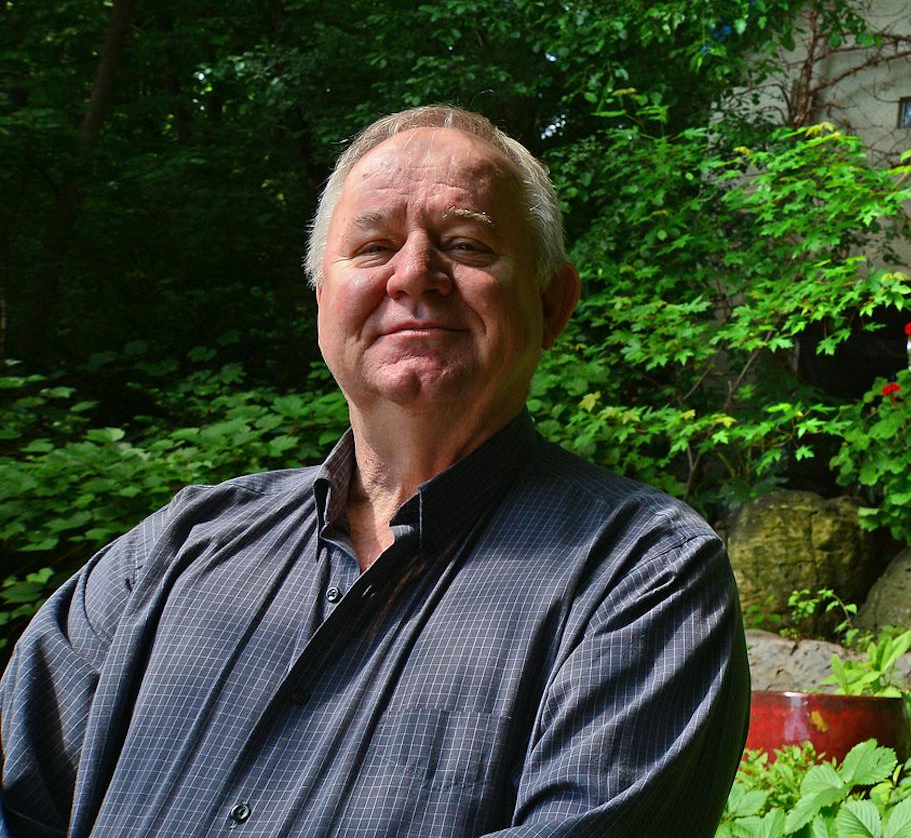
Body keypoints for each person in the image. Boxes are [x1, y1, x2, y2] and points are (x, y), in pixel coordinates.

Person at [0, 105, 750, 837]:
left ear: (553, 303)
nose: (415, 274)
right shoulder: (174, 549)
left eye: (466, 244)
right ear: (323, 300)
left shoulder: (644, 573)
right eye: (372, 247)